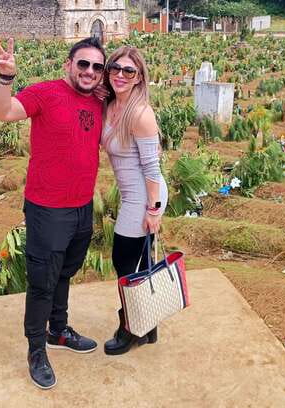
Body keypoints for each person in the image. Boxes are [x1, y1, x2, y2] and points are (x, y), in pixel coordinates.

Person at [0, 36, 106, 390]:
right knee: (42, 282)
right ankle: (36, 350)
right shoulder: (45, 92)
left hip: (82, 206)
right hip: (47, 208)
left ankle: (59, 330)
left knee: (65, 273)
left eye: (97, 67)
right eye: (83, 64)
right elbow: (2, 113)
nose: (89, 71)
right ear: (68, 65)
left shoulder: (100, 102)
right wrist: (6, 79)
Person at [100, 46, 168, 355]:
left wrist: (153, 210)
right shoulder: (111, 104)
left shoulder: (140, 113)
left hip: (144, 196)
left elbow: (152, 166)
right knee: (133, 265)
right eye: (115, 68)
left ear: (139, 78)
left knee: (124, 265)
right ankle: (148, 325)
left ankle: (130, 328)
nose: (120, 75)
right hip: (131, 194)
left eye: (129, 71)